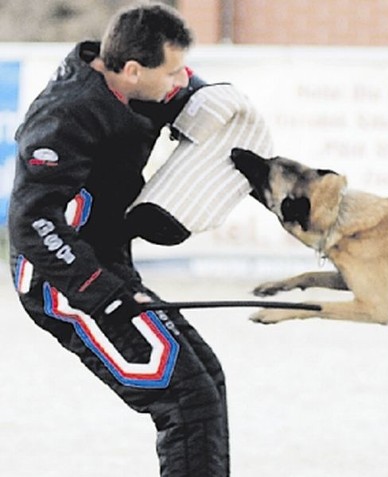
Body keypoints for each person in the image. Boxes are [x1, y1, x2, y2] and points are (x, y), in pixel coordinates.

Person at [9, 3, 235, 476]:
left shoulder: (137, 85)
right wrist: (103, 293)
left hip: (108, 266)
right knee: (184, 400)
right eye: (173, 72)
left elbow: (190, 95)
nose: (182, 81)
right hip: (63, 282)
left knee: (207, 381)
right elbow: (32, 223)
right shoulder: (65, 115)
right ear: (132, 70)